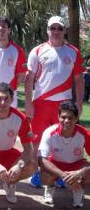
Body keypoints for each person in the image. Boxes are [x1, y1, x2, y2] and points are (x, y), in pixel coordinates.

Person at [25, 16, 85, 186]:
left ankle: (60, 175)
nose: (56, 32)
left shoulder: (73, 51)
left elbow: (79, 79)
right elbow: (29, 79)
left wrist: (79, 103)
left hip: (64, 105)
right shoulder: (37, 51)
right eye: (53, 28)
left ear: (64, 30)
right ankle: (37, 173)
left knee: (62, 140)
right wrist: (28, 103)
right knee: (36, 141)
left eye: (59, 28)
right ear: (48, 30)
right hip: (41, 103)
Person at [39, 100, 90, 208]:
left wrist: (79, 173)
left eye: (70, 118)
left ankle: (78, 189)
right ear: (58, 117)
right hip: (56, 164)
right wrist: (64, 175)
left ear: (76, 119)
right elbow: (42, 159)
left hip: (76, 165)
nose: (66, 120)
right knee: (44, 172)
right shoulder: (49, 132)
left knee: (88, 172)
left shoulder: (84, 134)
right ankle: (50, 187)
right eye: (63, 117)